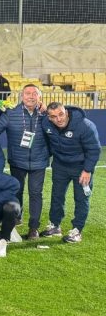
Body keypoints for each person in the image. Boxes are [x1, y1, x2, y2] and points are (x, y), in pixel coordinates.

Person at [0, 84, 50, 238]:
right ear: (22, 96)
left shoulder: (47, 115)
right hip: (17, 161)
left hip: (39, 161)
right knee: (17, 191)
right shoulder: (11, 113)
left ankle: (34, 227)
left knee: (36, 193)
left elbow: (64, 116)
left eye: (34, 94)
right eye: (27, 93)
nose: (31, 96)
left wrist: (48, 110)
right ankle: (15, 219)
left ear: (39, 97)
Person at [39, 103, 101, 243]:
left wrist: (87, 170)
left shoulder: (85, 125)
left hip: (81, 167)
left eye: (61, 114)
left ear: (66, 112)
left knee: (81, 198)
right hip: (60, 166)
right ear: (49, 118)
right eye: (54, 116)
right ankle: (55, 225)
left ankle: (77, 230)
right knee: (57, 196)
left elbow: (94, 150)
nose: (59, 119)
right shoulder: (46, 124)